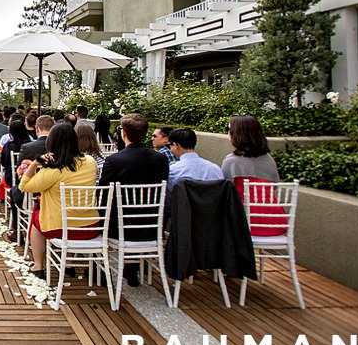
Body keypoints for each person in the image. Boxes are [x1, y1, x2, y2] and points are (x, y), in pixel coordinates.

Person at [19, 123, 99, 279]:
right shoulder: (90, 162)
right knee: (66, 211)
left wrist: (36, 162)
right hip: (90, 226)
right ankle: (68, 263)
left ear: (52, 142)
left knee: (36, 216)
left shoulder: (53, 170)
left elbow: (24, 186)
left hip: (60, 228)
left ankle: (38, 265)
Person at [98, 113, 169, 287]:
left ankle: (99, 271)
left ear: (123, 133)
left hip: (120, 228)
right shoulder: (160, 159)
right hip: (152, 225)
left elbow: (104, 195)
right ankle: (134, 265)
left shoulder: (114, 161)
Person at [166, 127, 223, 207]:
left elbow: (168, 200)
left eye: (170, 145)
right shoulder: (215, 169)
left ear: (176, 145)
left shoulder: (173, 170)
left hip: (183, 216)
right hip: (212, 215)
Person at [221, 115, 280, 183]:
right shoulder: (269, 159)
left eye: (229, 129)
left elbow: (224, 187)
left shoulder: (231, 161)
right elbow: (275, 184)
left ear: (237, 134)